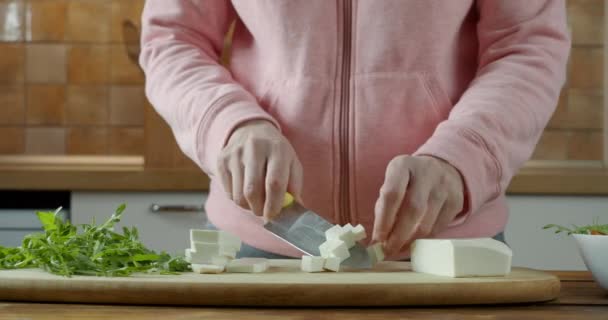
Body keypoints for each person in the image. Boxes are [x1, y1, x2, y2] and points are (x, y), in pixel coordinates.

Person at [139, 1, 570, 260]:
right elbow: (173, 38)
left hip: (448, 248)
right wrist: (232, 124)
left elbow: (527, 44)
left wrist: (462, 155)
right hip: (261, 239)